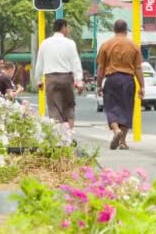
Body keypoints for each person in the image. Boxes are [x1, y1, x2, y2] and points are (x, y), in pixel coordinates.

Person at [96, 19, 145, 150]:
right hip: (128, 80)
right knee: (126, 109)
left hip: (111, 80)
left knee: (111, 108)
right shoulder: (134, 46)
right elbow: (138, 68)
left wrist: (99, 85)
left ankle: (116, 130)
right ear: (126, 30)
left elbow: (101, 67)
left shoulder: (106, 45)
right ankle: (123, 141)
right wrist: (142, 86)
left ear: (114, 29)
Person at [35, 19, 84, 130]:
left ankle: (59, 138)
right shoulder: (70, 43)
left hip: (51, 79)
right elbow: (75, 62)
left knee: (54, 108)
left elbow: (39, 64)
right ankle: (69, 135)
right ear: (63, 27)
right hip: (67, 78)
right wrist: (79, 81)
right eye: (67, 27)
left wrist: (39, 81)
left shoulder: (45, 43)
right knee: (69, 106)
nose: (68, 30)